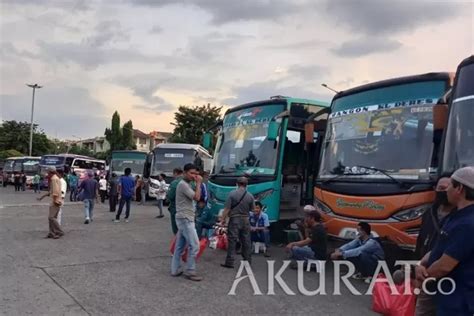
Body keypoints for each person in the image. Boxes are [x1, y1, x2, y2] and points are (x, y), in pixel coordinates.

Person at [416, 167, 474, 316]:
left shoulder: (468, 224)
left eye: (449, 185)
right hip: (439, 291)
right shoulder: (455, 215)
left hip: (457, 300)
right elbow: (439, 247)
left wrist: (423, 278)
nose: (445, 190)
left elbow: (445, 266)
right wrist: (420, 264)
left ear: (459, 188)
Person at [171, 163, 203, 281]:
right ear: (184, 173)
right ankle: (190, 271)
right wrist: (199, 183)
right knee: (195, 246)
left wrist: (196, 183)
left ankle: (175, 269)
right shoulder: (183, 184)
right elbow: (197, 197)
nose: (194, 176)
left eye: (196, 173)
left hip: (184, 217)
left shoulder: (187, 184)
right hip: (185, 218)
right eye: (191, 173)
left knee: (179, 246)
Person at [415, 174, 455, 259]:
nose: (445, 192)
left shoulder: (463, 217)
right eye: (442, 188)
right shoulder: (429, 214)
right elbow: (421, 241)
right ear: (435, 189)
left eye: (449, 188)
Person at [220, 177, 255, 269]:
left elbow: (227, 208)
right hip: (246, 219)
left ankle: (230, 262)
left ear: (237, 184)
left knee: (232, 240)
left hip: (235, 219)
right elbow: (252, 209)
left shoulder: (232, 194)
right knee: (246, 240)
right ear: (246, 185)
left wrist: (222, 219)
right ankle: (247, 261)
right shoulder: (250, 195)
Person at [37, 167, 64, 239]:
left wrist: (55, 200)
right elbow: (52, 191)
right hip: (57, 200)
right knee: (52, 218)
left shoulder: (54, 179)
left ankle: (59, 231)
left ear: (50, 172)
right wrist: (42, 197)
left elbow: (55, 191)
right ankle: (51, 233)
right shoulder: (56, 178)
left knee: (51, 217)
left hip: (55, 201)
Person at [166, 168, 183, 234]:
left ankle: (178, 241)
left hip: (175, 207)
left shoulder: (175, 182)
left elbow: (170, 196)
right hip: (187, 208)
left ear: (175, 173)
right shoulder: (190, 181)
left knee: (176, 227)